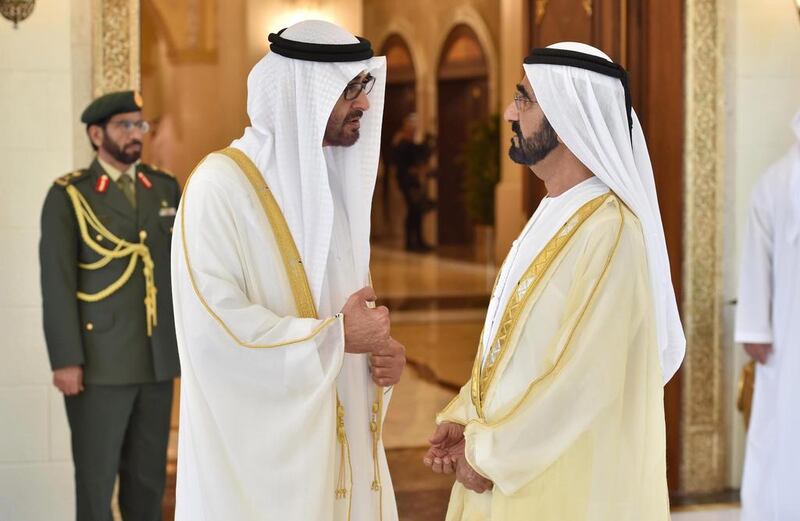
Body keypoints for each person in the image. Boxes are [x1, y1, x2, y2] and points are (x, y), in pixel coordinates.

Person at [423, 42, 685, 520]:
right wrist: (466, 419)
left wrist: (488, 454)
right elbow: (515, 350)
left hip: (558, 483)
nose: (508, 112)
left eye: (524, 99)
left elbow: (587, 378)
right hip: (508, 466)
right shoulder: (553, 210)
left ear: (569, 115)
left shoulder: (611, 230)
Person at [171, 20, 405, 520]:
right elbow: (214, 336)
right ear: (304, 95)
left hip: (340, 457)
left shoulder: (333, 187)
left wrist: (380, 360)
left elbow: (349, 320)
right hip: (259, 475)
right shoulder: (219, 188)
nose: (364, 104)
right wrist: (340, 338)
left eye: (363, 88)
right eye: (348, 91)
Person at [39, 90, 181, 520]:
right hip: (98, 365)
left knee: (148, 480)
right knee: (97, 482)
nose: (137, 133)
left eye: (141, 124)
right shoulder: (69, 195)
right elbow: (57, 283)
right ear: (97, 133)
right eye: (125, 125)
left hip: (156, 361)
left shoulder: (163, 187)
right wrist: (66, 360)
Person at [735, 109, 800, 521]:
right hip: (789, 345)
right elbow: (757, 261)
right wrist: (755, 327)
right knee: (783, 435)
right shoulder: (777, 181)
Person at [391, 113, 435, 252]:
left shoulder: (406, 142)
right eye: (411, 127)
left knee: (416, 211)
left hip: (411, 181)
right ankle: (412, 243)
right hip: (407, 181)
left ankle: (418, 241)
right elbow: (403, 162)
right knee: (414, 210)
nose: (414, 129)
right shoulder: (402, 142)